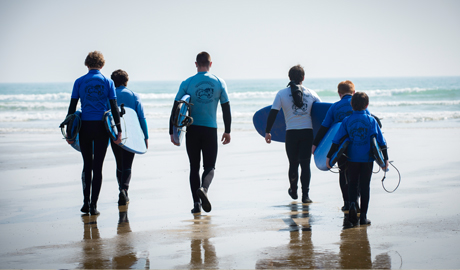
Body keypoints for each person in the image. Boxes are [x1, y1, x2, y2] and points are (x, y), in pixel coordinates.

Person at [169, 51, 231, 214]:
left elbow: (176, 107)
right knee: (209, 166)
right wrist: (228, 130)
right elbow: (226, 108)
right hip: (210, 130)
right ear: (210, 64)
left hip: (192, 130)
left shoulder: (187, 82)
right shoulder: (219, 82)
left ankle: (196, 205)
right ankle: (204, 188)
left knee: (194, 167)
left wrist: (172, 132)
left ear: (196, 64)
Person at [65, 51, 122, 215]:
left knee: (87, 165)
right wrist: (119, 130)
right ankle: (94, 206)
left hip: (84, 127)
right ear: (102, 65)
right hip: (102, 128)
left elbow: (72, 109)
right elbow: (114, 107)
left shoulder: (79, 81)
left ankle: (85, 202)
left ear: (87, 64)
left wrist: (69, 133)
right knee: (98, 167)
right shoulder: (108, 82)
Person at [326, 92, 389, 225]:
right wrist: (386, 160)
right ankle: (363, 217)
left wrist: (328, 157)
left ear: (351, 105)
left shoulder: (346, 120)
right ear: (367, 105)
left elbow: (336, 141)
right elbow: (381, 142)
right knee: (365, 186)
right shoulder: (372, 120)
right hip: (367, 160)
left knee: (352, 184)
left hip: (351, 159)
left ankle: (353, 208)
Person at [265, 65, 321, 203]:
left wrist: (268, 131)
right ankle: (305, 196)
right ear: (303, 78)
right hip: (307, 133)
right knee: (305, 165)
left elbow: (273, 113)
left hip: (291, 134)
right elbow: (321, 114)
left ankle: (293, 190)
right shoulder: (312, 93)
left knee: (293, 164)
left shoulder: (281, 94)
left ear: (289, 77)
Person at [312, 80, 368, 211]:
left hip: (340, 147)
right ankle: (356, 202)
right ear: (354, 92)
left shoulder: (334, 107)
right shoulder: (359, 104)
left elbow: (324, 127)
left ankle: (347, 203)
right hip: (358, 146)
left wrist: (315, 144)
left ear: (339, 93)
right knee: (356, 174)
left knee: (343, 173)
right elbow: (368, 122)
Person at [110, 69, 149, 206]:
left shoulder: (110, 95)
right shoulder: (134, 95)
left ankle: (120, 188)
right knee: (128, 164)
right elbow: (141, 117)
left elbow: (105, 116)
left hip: (114, 134)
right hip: (131, 135)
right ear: (126, 81)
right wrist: (146, 136)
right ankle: (124, 189)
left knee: (119, 163)